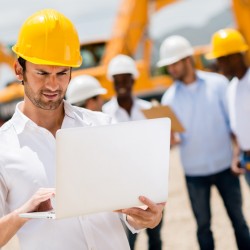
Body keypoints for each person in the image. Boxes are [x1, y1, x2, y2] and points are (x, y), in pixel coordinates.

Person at [0, 9, 165, 250]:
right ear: (18, 70)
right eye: (42, 73)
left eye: (62, 73)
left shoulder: (102, 126)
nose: (53, 85)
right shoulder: (3, 148)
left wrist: (146, 217)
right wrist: (23, 213)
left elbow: (127, 211)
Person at [158, 35, 250, 250]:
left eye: (174, 64)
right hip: (194, 173)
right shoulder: (168, 99)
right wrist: (171, 140)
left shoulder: (218, 84)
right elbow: (174, 139)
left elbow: (234, 125)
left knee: (239, 221)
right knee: (203, 227)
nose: (171, 69)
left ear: (188, 59)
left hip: (225, 166)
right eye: (168, 66)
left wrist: (236, 154)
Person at [102, 54, 163, 250]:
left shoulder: (149, 111)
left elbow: (161, 147)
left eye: (125, 80)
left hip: (151, 183)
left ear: (133, 80)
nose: (122, 85)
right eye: (118, 80)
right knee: (127, 239)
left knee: (155, 236)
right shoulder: (103, 116)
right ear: (112, 82)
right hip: (122, 186)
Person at [206, 28, 250, 186]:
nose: (217, 64)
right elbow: (237, 128)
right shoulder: (231, 88)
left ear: (234, 57)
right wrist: (237, 156)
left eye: (220, 58)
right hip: (246, 159)